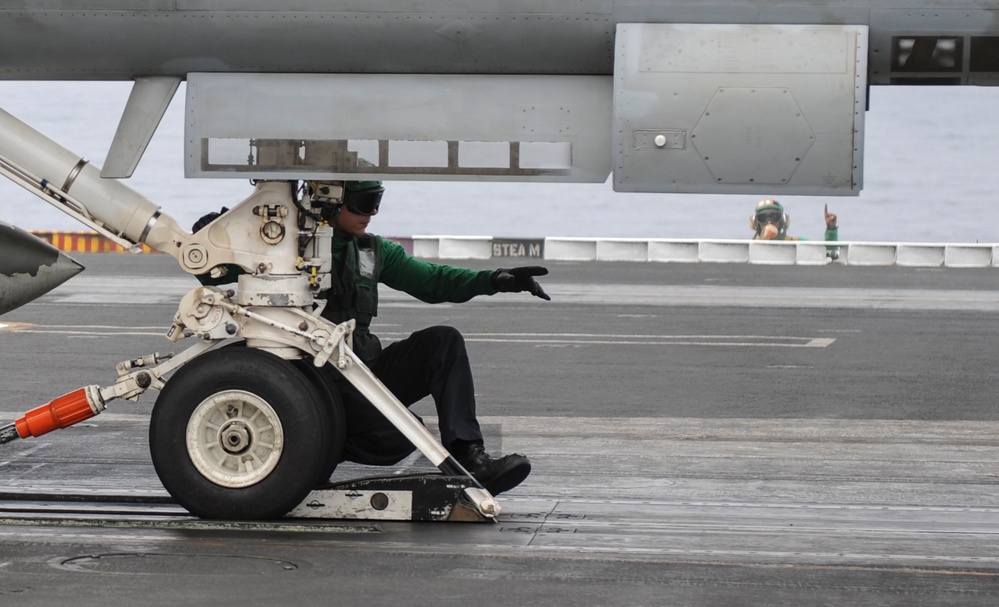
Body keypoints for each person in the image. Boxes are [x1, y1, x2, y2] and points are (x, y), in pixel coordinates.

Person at [194, 180, 548, 496]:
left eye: (376, 201)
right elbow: (212, 274)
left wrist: (495, 280)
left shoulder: (372, 251)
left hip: (362, 368)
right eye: (363, 202)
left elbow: (433, 281)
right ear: (330, 200)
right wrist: (216, 236)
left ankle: (472, 456)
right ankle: (308, 451)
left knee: (443, 342)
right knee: (397, 433)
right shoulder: (281, 245)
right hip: (313, 381)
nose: (372, 213)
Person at [749, 199, 840, 258]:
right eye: (763, 218)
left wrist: (831, 229)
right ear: (756, 223)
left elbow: (829, 254)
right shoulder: (749, 247)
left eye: (774, 217)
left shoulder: (798, 242)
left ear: (782, 221)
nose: (769, 222)